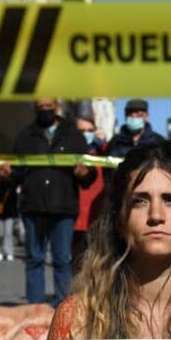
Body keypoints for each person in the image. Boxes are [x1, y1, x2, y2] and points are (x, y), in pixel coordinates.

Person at [48, 140, 171, 340]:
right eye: (139, 201)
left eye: (170, 200)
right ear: (119, 219)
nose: (155, 215)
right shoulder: (76, 318)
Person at [9, 98, 97, 305]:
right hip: (33, 206)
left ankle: (63, 307)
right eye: (40, 108)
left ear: (57, 107)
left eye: (48, 107)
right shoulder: (25, 135)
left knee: (62, 260)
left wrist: (84, 173)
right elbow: (17, 172)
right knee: (34, 260)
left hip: (63, 207)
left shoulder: (73, 135)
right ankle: (35, 306)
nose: (44, 111)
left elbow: (89, 174)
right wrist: (7, 174)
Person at [72, 112, 106, 267]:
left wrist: (104, 143)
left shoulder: (103, 152)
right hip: (74, 219)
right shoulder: (70, 154)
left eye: (90, 130)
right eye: (81, 131)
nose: (86, 134)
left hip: (98, 216)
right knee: (77, 266)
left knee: (98, 266)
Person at [0, 163, 21, 263]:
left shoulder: (13, 181)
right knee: (0, 233)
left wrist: (11, 172)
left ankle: (9, 252)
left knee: (8, 233)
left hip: (10, 211)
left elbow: (19, 179)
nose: (3, 170)